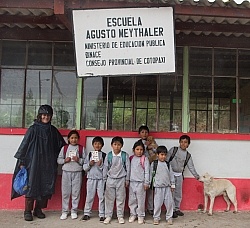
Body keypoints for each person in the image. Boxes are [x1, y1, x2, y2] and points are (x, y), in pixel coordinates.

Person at [11, 105, 66, 221]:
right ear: (40, 116)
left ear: (51, 117)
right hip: (33, 163)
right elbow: (24, 145)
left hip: (48, 164)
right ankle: (27, 211)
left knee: (45, 187)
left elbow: (62, 146)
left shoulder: (53, 131)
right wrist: (21, 161)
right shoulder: (33, 129)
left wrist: (68, 155)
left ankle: (38, 209)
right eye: (44, 115)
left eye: (48, 115)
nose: (46, 117)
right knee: (31, 186)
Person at [167, 135, 200, 218]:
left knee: (178, 193)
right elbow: (166, 161)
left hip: (179, 176)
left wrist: (197, 177)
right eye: (181, 142)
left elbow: (191, 167)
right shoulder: (173, 150)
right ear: (179, 142)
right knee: (171, 193)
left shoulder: (188, 155)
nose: (183, 144)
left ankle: (177, 209)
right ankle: (172, 210)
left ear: (188, 144)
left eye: (185, 142)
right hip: (170, 175)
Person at [57, 130, 85, 220]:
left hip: (77, 173)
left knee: (76, 193)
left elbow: (85, 161)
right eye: (72, 138)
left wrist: (78, 160)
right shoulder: (64, 148)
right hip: (66, 172)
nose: (74, 140)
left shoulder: (81, 149)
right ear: (68, 139)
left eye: (76, 138)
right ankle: (65, 211)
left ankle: (74, 211)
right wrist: (65, 160)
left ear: (78, 139)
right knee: (65, 193)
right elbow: (58, 160)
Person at [103, 136, 130, 224]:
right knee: (109, 199)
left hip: (121, 179)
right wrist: (105, 179)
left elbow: (128, 168)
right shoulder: (109, 155)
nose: (117, 146)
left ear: (122, 145)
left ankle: (120, 216)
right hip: (110, 179)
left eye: (119, 145)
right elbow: (105, 167)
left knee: (121, 199)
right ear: (111, 145)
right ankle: (108, 216)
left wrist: (127, 180)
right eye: (115, 144)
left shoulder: (124, 155)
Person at [82, 136, 106, 222]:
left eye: (99, 144)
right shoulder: (89, 154)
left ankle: (102, 214)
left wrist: (101, 165)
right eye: (95, 143)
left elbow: (106, 169)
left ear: (102, 145)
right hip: (91, 179)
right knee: (89, 196)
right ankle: (87, 213)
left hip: (101, 179)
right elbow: (84, 167)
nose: (97, 145)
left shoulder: (104, 155)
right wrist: (90, 164)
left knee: (102, 197)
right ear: (93, 145)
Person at [150, 146, 175, 225]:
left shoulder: (167, 164)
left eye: (165, 155)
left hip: (167, 187)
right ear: (157, 155)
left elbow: (171, 175)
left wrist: (172, 184)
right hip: (158, 187)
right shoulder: (154, 164)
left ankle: (169, 217)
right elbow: (151, 174)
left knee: (169, 203)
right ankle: (156, 217)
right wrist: (150, 184)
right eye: (161, 154)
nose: (163, 156)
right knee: (157, 203)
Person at [128, 140, 150, 224]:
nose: (139, 151)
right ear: (133, 150)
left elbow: (147, 171)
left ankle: (141, 215)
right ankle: (133, 214)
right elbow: (129, 170)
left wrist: (146, 182)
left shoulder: (145, 159)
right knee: (132, 200)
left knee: (140, 200)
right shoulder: (131, 158)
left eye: (141, 149)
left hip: (141, 183)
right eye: (137, 149)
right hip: (132, 182)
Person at [138, 125, 156, 215]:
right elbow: (137, 152)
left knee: (150, 187)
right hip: (141, 168)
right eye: (142, 132)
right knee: (140, 189)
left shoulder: (152, 141)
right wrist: (145, 147)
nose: (144, 134)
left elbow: (157, 151)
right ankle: (140, 208)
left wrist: (151, 146)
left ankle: (150, 207)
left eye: (146, 132)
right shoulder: (138, 143)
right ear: (139, 134)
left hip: (151, 166)